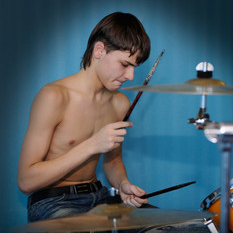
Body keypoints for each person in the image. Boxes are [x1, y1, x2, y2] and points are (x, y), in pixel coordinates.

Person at [17, 12, 151, 223]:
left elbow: (113, 161)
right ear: (100, 50)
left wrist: (123, 184)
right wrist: (92, 144)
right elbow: (25, 181)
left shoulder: (120, 103)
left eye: (135, 67)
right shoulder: (53, 97)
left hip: (101, 197)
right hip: (54, 202)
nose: (131, 76)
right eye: (125, 65)